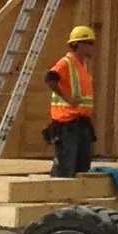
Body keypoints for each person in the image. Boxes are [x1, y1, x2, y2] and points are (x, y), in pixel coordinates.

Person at [44, 22, 98, 176]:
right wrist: (67, 98)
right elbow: (50, 78)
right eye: (90, 43)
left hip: (81, 124)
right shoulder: (66, 62)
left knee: (82, 168)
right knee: (65, 168)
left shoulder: (82, 66)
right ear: (79, 44)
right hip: (67, 125)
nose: (93, 47)